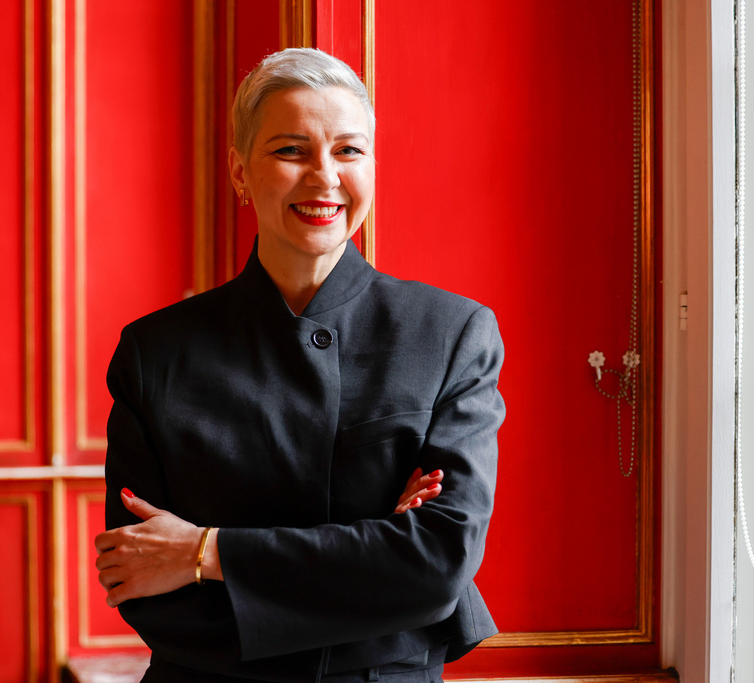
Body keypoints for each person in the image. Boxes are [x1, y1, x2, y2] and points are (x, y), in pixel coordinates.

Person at [94, 47, 505, 683]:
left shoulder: (451, 333)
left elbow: (438, 563)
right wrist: (373, 571)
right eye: (291, 150)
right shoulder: (157, 351)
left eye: (348, 150)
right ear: (239, 172)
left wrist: (207, 552)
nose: (324, 177)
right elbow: (141, 580)